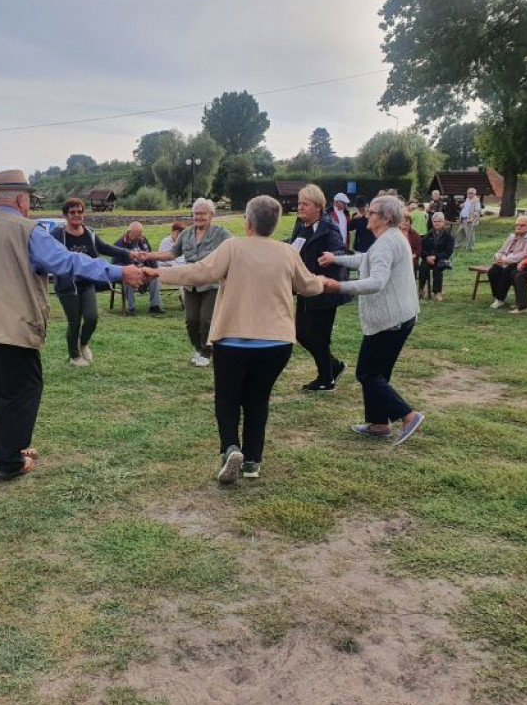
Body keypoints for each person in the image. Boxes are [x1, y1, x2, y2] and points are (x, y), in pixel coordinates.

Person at [0, 170, 145, 480]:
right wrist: (117, 272)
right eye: (29, 199)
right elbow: (67, 261)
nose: (30, 205)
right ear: (21, 199)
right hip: (13, 324)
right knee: (22, 389)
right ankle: (8, 461)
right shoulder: (28, 230)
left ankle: (1, 450)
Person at [144, 195, 325, 482]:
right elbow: (308, 286)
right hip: (276, 343)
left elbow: (200, 271)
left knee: (227, 398)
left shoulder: (233, 247)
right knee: (258, 399)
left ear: (248, 221)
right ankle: (252, 461)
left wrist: (158, 273)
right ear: (275, 224)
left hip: (233, 340)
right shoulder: (287, 252)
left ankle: (230, 447)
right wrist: (323, 281)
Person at [318, 195, 424, 446]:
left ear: (386, 217)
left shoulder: (388, 242)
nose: (367, 215)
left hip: (391, 321)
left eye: (373, 212)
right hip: (398, 318)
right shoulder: (389, 239)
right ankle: (378, 425)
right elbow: (365, 259)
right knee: (378, 374)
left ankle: (408, 416)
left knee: (367, 373)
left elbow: (376, 282)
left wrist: (338, 286)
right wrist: (336, 259)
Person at [142, 198, 233, 367]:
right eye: (196, 214)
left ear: (211, 215)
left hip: (211, 284)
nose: (199, 217)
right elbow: (171, 254)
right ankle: (198, 348)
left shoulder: (220, 233)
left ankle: (207, 352)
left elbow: (235, 248)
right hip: (190, 284)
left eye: (203, 214)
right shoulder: (186, 234)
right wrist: (148, 255)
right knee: (191, 320)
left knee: (206, 319)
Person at [49, 198, 132, 366]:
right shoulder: (57, 235)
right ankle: (74, 356)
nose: (77, 215)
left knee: (92, 317)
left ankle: (83, 343)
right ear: (65, 215)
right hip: (66, 286)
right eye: (72, 212)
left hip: (87, 284)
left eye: (80, 211)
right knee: (74, 322)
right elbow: (48, 255)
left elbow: (106, 248)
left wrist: (128, 254)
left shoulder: (90, 234)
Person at [289, 184, 350, 392]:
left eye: (304, 204)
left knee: (319, 337)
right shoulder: (301, 225)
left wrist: (330, 258)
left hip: (325, 290)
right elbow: (293, 249)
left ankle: (326, 378)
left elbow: (340, 252)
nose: (300, 207)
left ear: (317, 206)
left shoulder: (328, 226)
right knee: (301, 333)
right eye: (299, 203)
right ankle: (334, 366)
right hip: (305, 287)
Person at [113, 221, 164, 315]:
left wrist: (154, 269)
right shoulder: (119, 244)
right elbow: (116, 263)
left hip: (144, 270)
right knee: (128, 278)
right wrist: (129, 269)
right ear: (129, 233)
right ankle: (131, 309)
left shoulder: (143, 240)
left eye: (140, 234)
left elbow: (150, 256)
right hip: (130, 271)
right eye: (137, 235)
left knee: (154, 277)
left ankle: (154, 306)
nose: (139, 237)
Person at [486, 216, 527, 309]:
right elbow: (502, 250)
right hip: (505, 262)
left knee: (507, 272)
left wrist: (506, 260)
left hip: (519, 265)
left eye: (522, 225)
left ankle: (500, 299)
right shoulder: (512, 237)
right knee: (493, 270)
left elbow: (524, 255)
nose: (519, 227)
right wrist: (498, 257)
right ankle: (498, 297)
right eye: (517, 225)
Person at [418, 212, 454, 302]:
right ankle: (421, 290)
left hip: (441, 259)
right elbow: (423, 249)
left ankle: (437, 292)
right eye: (435, 221)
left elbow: (448, 252)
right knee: (423, 267)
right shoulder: (428, 234)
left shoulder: (448, 235)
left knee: (437, 269)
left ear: (443, 222)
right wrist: (426, 257)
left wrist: (435, 257)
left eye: (439, 221)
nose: (437, 223)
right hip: (428, 259)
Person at [455, 187, 482, 252]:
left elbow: (478, 211)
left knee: (469, 234)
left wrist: (472, 219)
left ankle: (470, 248)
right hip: (463, 219)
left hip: (469, 220)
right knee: (459, 232)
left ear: (474, 194)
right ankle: (457, 245)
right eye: (468, 193)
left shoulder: (476, 200)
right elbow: (465, 207)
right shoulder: (467, 199)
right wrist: (462, 205)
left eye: (471, 193)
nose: (469, 194)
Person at [399, 212, 422, 279]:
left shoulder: (416, 235)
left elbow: (418, 249)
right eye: (402, 221)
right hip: (397, 257)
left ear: (410, 223)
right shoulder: (395, 234)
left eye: (406, 221)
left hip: (411, 258)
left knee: (412, 263)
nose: (404, 223)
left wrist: (412, 256)